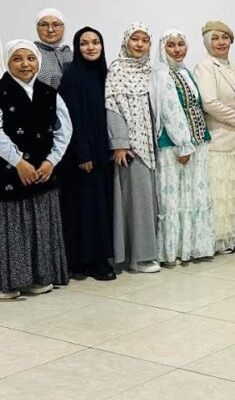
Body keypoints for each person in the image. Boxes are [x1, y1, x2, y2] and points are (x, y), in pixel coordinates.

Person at [0, 40, 71, 299]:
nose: (25, 64)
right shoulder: (1, 91)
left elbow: (64, 130)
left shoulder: (49, 92)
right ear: (7, 62)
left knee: (40, 224)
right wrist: (18, 162)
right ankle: (8, 282)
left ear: (38, 62)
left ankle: (38, 277)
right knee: (13, 226)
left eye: (30, 58)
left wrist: (51, 161)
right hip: (9, 171)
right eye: (17, 59)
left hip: (43, 170)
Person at [151, 30, 214, 265]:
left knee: (193, 196)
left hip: (197, 141)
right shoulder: (162, 75)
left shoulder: (185, 71)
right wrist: (183, 144)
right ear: (162, 49)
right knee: (174, 199)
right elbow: (170, 111)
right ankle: (172, 251)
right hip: (174, 146)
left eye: (181, 44)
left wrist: (192, 143)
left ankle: (194, 247)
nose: (177, 50)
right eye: (171, 45)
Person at [58, 27, 115, 280]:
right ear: (77, 47)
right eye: (84, 43)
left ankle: (91, 260)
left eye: (95, 42)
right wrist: (83, 154)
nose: (90, 47)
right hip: (83, 156)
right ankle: (92, 262)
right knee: (88, 209)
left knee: (99, 207)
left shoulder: (104, 73)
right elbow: (72, 117)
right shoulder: (72, 75)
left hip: (102, 152)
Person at [106, 22, 160, 273]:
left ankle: (148, 252)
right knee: (136, 201)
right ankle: (139, 258)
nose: (139, 44)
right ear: (126, 42)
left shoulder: (150, 70)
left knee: (149, 200)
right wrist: (119, 143)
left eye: (145, 40)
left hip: (151, 144)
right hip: (131, 147)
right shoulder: (117, 69)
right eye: (135, 39)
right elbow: (112, 106)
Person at [193, 20, 235, 255]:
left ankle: (231, 237)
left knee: (231, 191)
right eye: (215, 38)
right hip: (217, 138)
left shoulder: (231, 66)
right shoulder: (205, 66)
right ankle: (218, 239)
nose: (221, 42)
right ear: (206, 42)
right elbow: (209, 103)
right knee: (219, 193)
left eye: (225, 38)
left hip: (234, 138)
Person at [34, 8, 72, 89]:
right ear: (37, 28)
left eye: (56, 25)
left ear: (63, 27)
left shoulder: (70, 53)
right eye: (44, 25)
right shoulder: (31, 53)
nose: (50, 30)